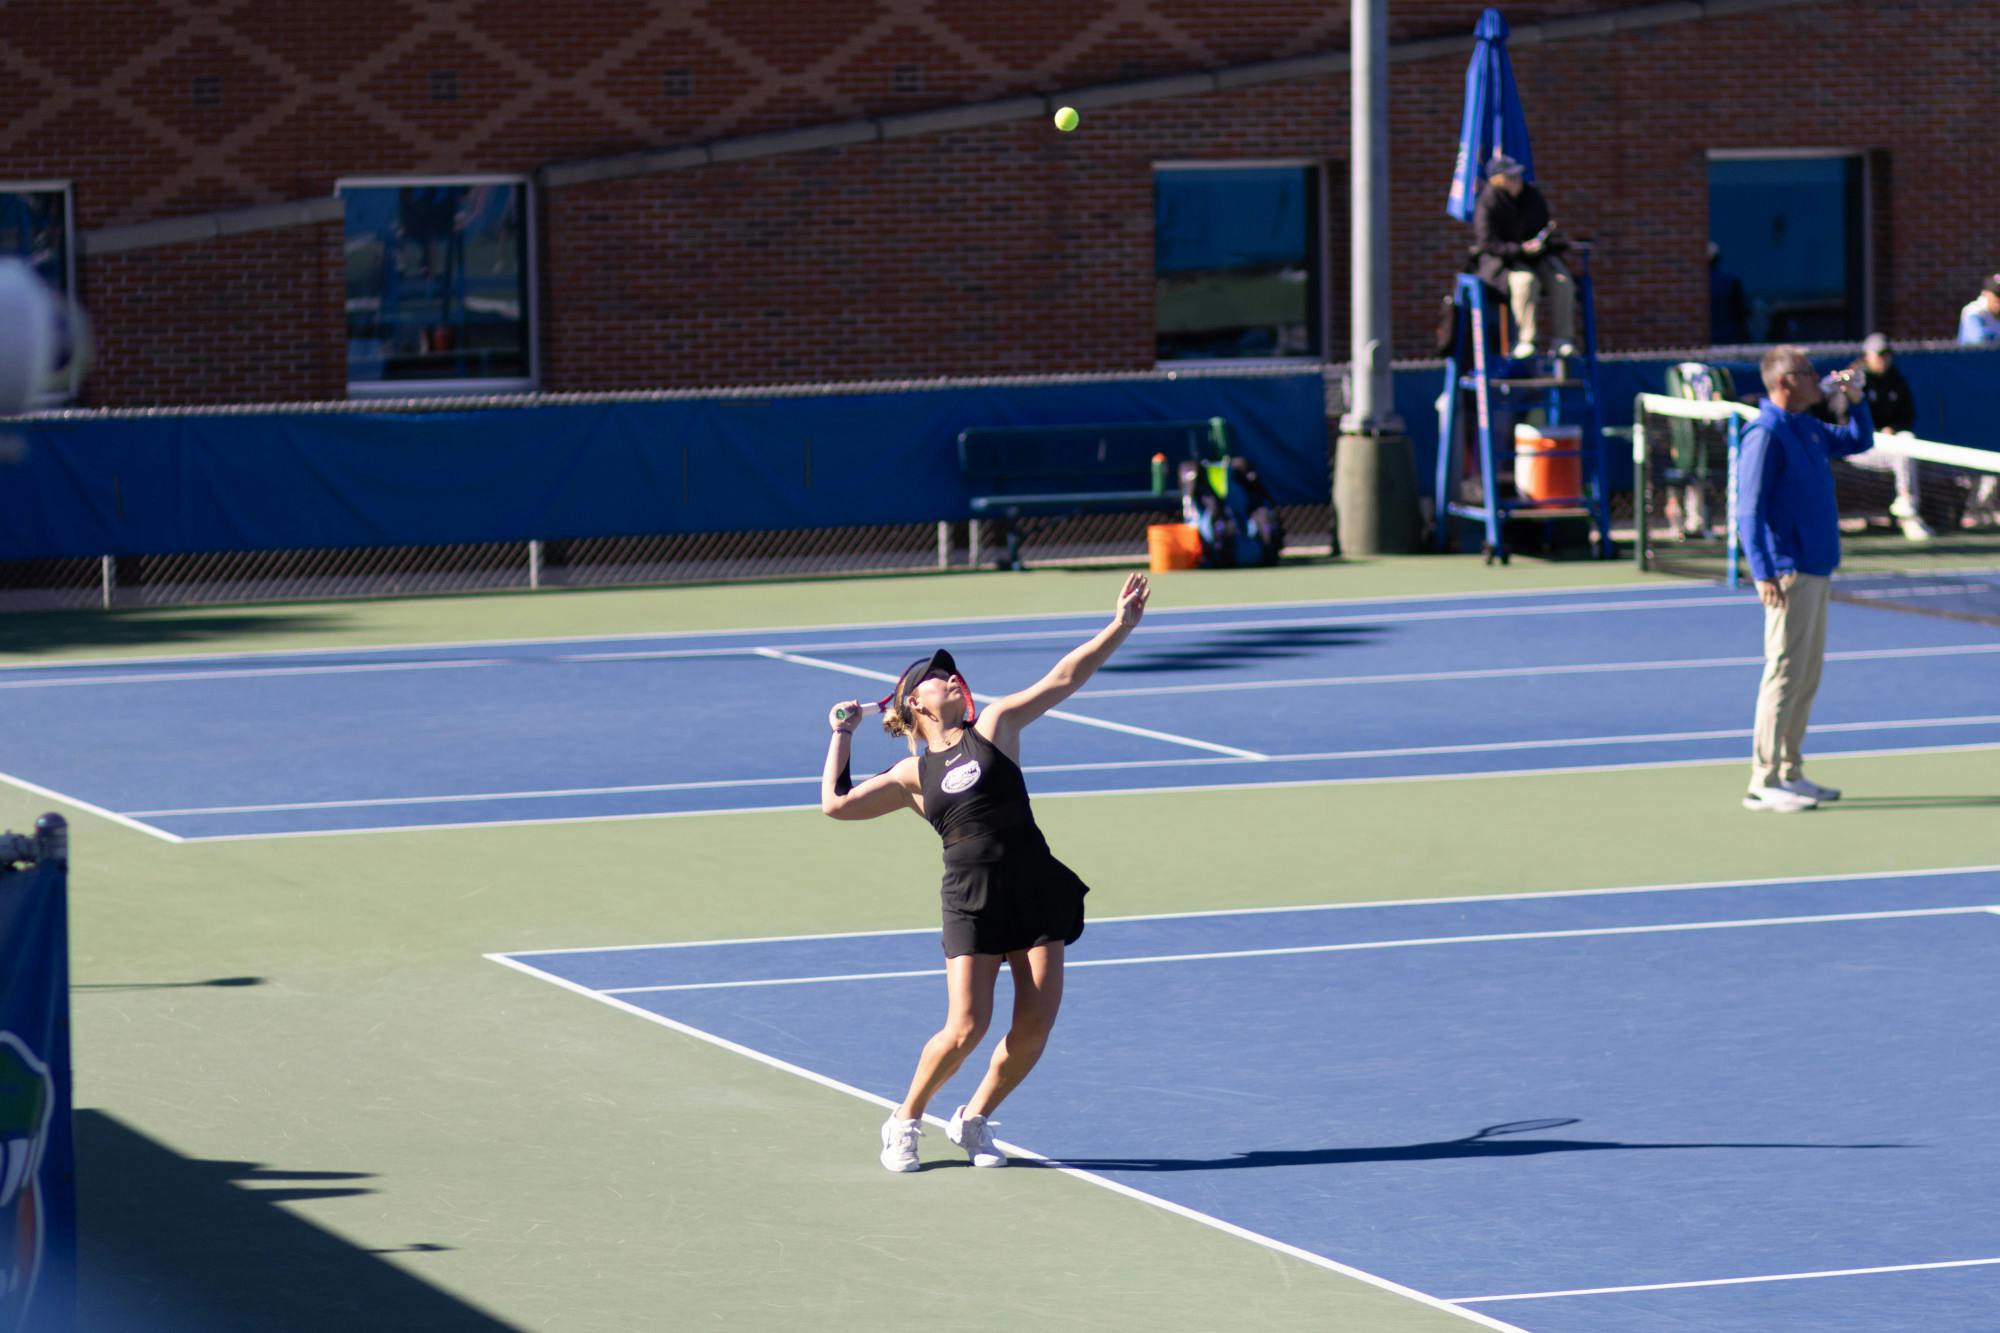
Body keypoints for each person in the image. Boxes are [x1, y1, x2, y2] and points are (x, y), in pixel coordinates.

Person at [820, 573, 1150, 1171]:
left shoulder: (996, 727)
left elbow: (1063, 678)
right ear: (916, 702)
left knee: (1033, 1029)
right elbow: (836, 803)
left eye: (952, 672)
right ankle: (904, 1120)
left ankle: (971, 1120)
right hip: (972, 898)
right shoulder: (910, 774)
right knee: (967, 1026)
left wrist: (1118, 628)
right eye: (937, 676)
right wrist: (841, 735)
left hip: (1034, 888)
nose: (952, 677)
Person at [1737, 346, 1873, 813]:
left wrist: (1855, 398)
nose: (1818, 378)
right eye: (1808, 372)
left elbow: (1859, 441)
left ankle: (1790, 770)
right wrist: (1763, 570)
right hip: (1788, 570)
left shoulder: (1807, 427)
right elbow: (1748, 510)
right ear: (1786, 381)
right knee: (1784, 674)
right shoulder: (1765, 434)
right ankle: (1764, 779)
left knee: (1807, 675)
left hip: (1817, 566)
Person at [1811, 333, 1930, 540]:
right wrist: (1869, 429)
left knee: (1906, 443)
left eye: (1887, 355)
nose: (1884, 359)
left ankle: (1907, 508)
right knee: (1902, 452)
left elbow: (1906, 416)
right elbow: (1845, 422)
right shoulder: (1853, 381)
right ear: (1867, 356)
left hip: (1888, 447)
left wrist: (1892, 428)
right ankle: (1908, 511)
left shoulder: (1897, 381)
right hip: (1857, 449)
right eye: (1879, 355)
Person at [1472, 154, 1578, 361]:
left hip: (1538, 257)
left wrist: (1541, 242)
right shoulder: (1488, 202)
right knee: (1525, 282)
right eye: (1511, 177)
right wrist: (1520, 249)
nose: (1517, 181)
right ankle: (1527, 340)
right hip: (1504, 262)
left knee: (1563, 282)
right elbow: (1487, 243)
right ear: (1498, 180)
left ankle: (1563, 340)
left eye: (1518, 176)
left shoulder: (1532, 196)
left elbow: (1544, 227)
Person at [1955, 275, 2000, 526]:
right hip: (1972, 397)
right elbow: (1981, 343)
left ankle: (1985, 506)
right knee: (1976, 451)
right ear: (1987, 295)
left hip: (1994, 396)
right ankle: (1973, 508)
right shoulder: (1973, 313)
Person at [1957, 272, 2000, 345]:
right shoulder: (1973, 311)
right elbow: (1978, 342)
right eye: (1997, 294)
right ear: (1985, 294)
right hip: (1972, 356)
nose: (1999, 299)